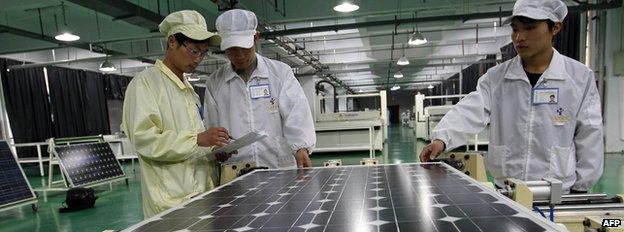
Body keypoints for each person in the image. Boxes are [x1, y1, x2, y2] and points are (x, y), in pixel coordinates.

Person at [419, 0, 603, 193]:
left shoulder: (579, 78)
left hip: (557, 193)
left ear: (555, 27)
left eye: (529, 28)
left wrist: (581, 188)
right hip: (507, 190)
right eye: (515, 29)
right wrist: (441, 139)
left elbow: (590, 134)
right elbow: (469, 111)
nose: (519, 37)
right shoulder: (496, 78)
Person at [122, 10, 232, 218]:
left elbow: (192, 146)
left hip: (200, 195)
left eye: (204, 52)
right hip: (170, 203)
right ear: (172, 42)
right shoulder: (145, 83)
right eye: (194, 51)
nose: (199, 59)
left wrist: (213, 151)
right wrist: (198, 139)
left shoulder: (189, 90)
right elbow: (144, 139)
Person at [204, 9, 316, 169]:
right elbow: (212, 127)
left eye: (245, 49)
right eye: (232, 50)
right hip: (236, 171)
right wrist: (217, 148)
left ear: (256, 38)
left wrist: (301, 147)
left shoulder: (280, 73)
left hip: (277, 167)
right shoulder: (215, 82)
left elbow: (296, 113)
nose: (240, 56)